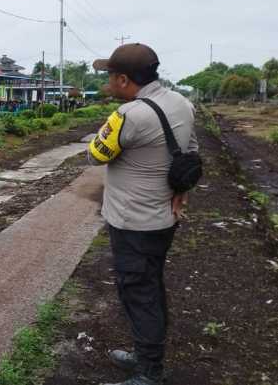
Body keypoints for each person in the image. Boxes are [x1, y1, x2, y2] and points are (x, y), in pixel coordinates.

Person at [88, 43, 198, 385]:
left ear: (123, 79)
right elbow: (190, 152)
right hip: (163, 217)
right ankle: (145, 353)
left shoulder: (129, 116)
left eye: (109, 77)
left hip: (133, 222)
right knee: (150, 285)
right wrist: (181, 192)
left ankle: (149, 373)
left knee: (138, 291)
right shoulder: (181, 102)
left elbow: (95, 156)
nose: (107, 83)